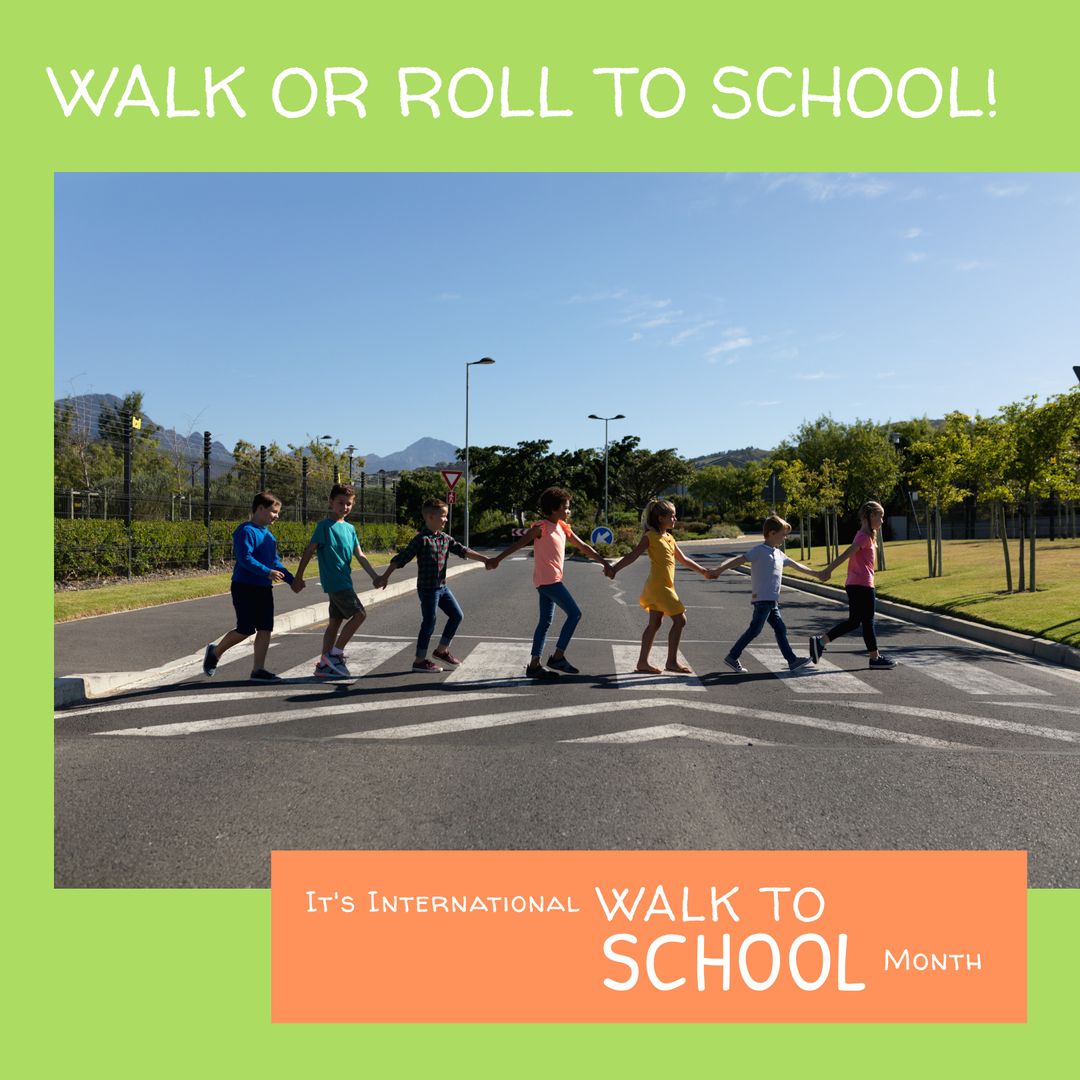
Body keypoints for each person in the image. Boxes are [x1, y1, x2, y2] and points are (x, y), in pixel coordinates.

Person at [491, 486, 610, 680]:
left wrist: (604, 562)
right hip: (549, 582)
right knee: (575, 613)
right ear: (554, 509)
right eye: (566, 507)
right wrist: (497, 559)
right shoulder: (541, 528)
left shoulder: (563, 527)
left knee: (545, 622)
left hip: (547, 582)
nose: (568, 511)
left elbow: (584, 546)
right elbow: (519, 544)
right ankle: (557, 657)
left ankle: (534, 665)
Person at [375, 498, 492, 672]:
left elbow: (463, 550)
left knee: (457, 615)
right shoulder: (421, 539)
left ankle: (441, 650)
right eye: (443, 516)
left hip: (442, 588)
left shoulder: (444, 538)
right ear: (430, 517)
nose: (446, 519)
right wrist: (384, 576)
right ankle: (419, 661)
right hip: (427, 589)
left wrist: (485, 560)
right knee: (429, 621)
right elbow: (401, 558)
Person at [606, 499, 711, 673]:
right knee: (680, 620)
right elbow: (633, 555)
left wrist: (703, 571)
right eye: (672, 516)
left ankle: (642, 663)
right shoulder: (650, 537)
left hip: (664, 586)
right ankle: (671, 662)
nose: (675, 519)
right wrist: (615, 568)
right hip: (659, 587)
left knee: (654, 623)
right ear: (661, 518)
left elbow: (683, 559)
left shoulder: (669, 538)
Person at [709, 514, 823, 674]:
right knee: (755, 630)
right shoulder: (759, 551)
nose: (784, 538)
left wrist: (817, 574)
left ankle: (792, 661)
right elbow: (739, 560)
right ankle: (733, 656)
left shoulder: (779, 554)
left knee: (780, 629)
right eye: (782, 534)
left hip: (772, 601)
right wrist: (718, 570)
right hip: (762, 599)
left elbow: (797, 566)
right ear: (771, 533)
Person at [202, 490, 294, 682]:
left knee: (265, 628)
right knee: (245, 629)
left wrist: (291, 580)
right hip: (244, 587)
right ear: (260, 508)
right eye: (274, 511)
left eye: (278, 512)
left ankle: (258, 670)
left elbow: (274, 561)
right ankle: (215, 652)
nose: (277, 516)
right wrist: (267, 572)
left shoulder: (269, 536)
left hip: (264, 588)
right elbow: (245, 558)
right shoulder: (245, 531)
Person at [291, 483, 381, 678]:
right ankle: (335, 655)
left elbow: (360, 554)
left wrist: (375, 576)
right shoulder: (324, 526)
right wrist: (298, 577)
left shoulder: (349, 528)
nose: (345, 507)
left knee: (334, 622)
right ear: (331, 503)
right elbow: (309, 551)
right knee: (360, 615)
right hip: (335, 582)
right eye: (341, 503)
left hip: (343, 581)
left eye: (349, 504)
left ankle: (324, 663)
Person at [809, 500, 897, 669]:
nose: (882, 521)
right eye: (881, 516)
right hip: (862, 585)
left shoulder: (865, 536)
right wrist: (828, 570)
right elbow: (846, 554)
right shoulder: (863, 537)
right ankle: (875, 658)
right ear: (871, 516)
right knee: (868, 621)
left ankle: (820, 642)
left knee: (854, 622)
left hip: (856, 584)